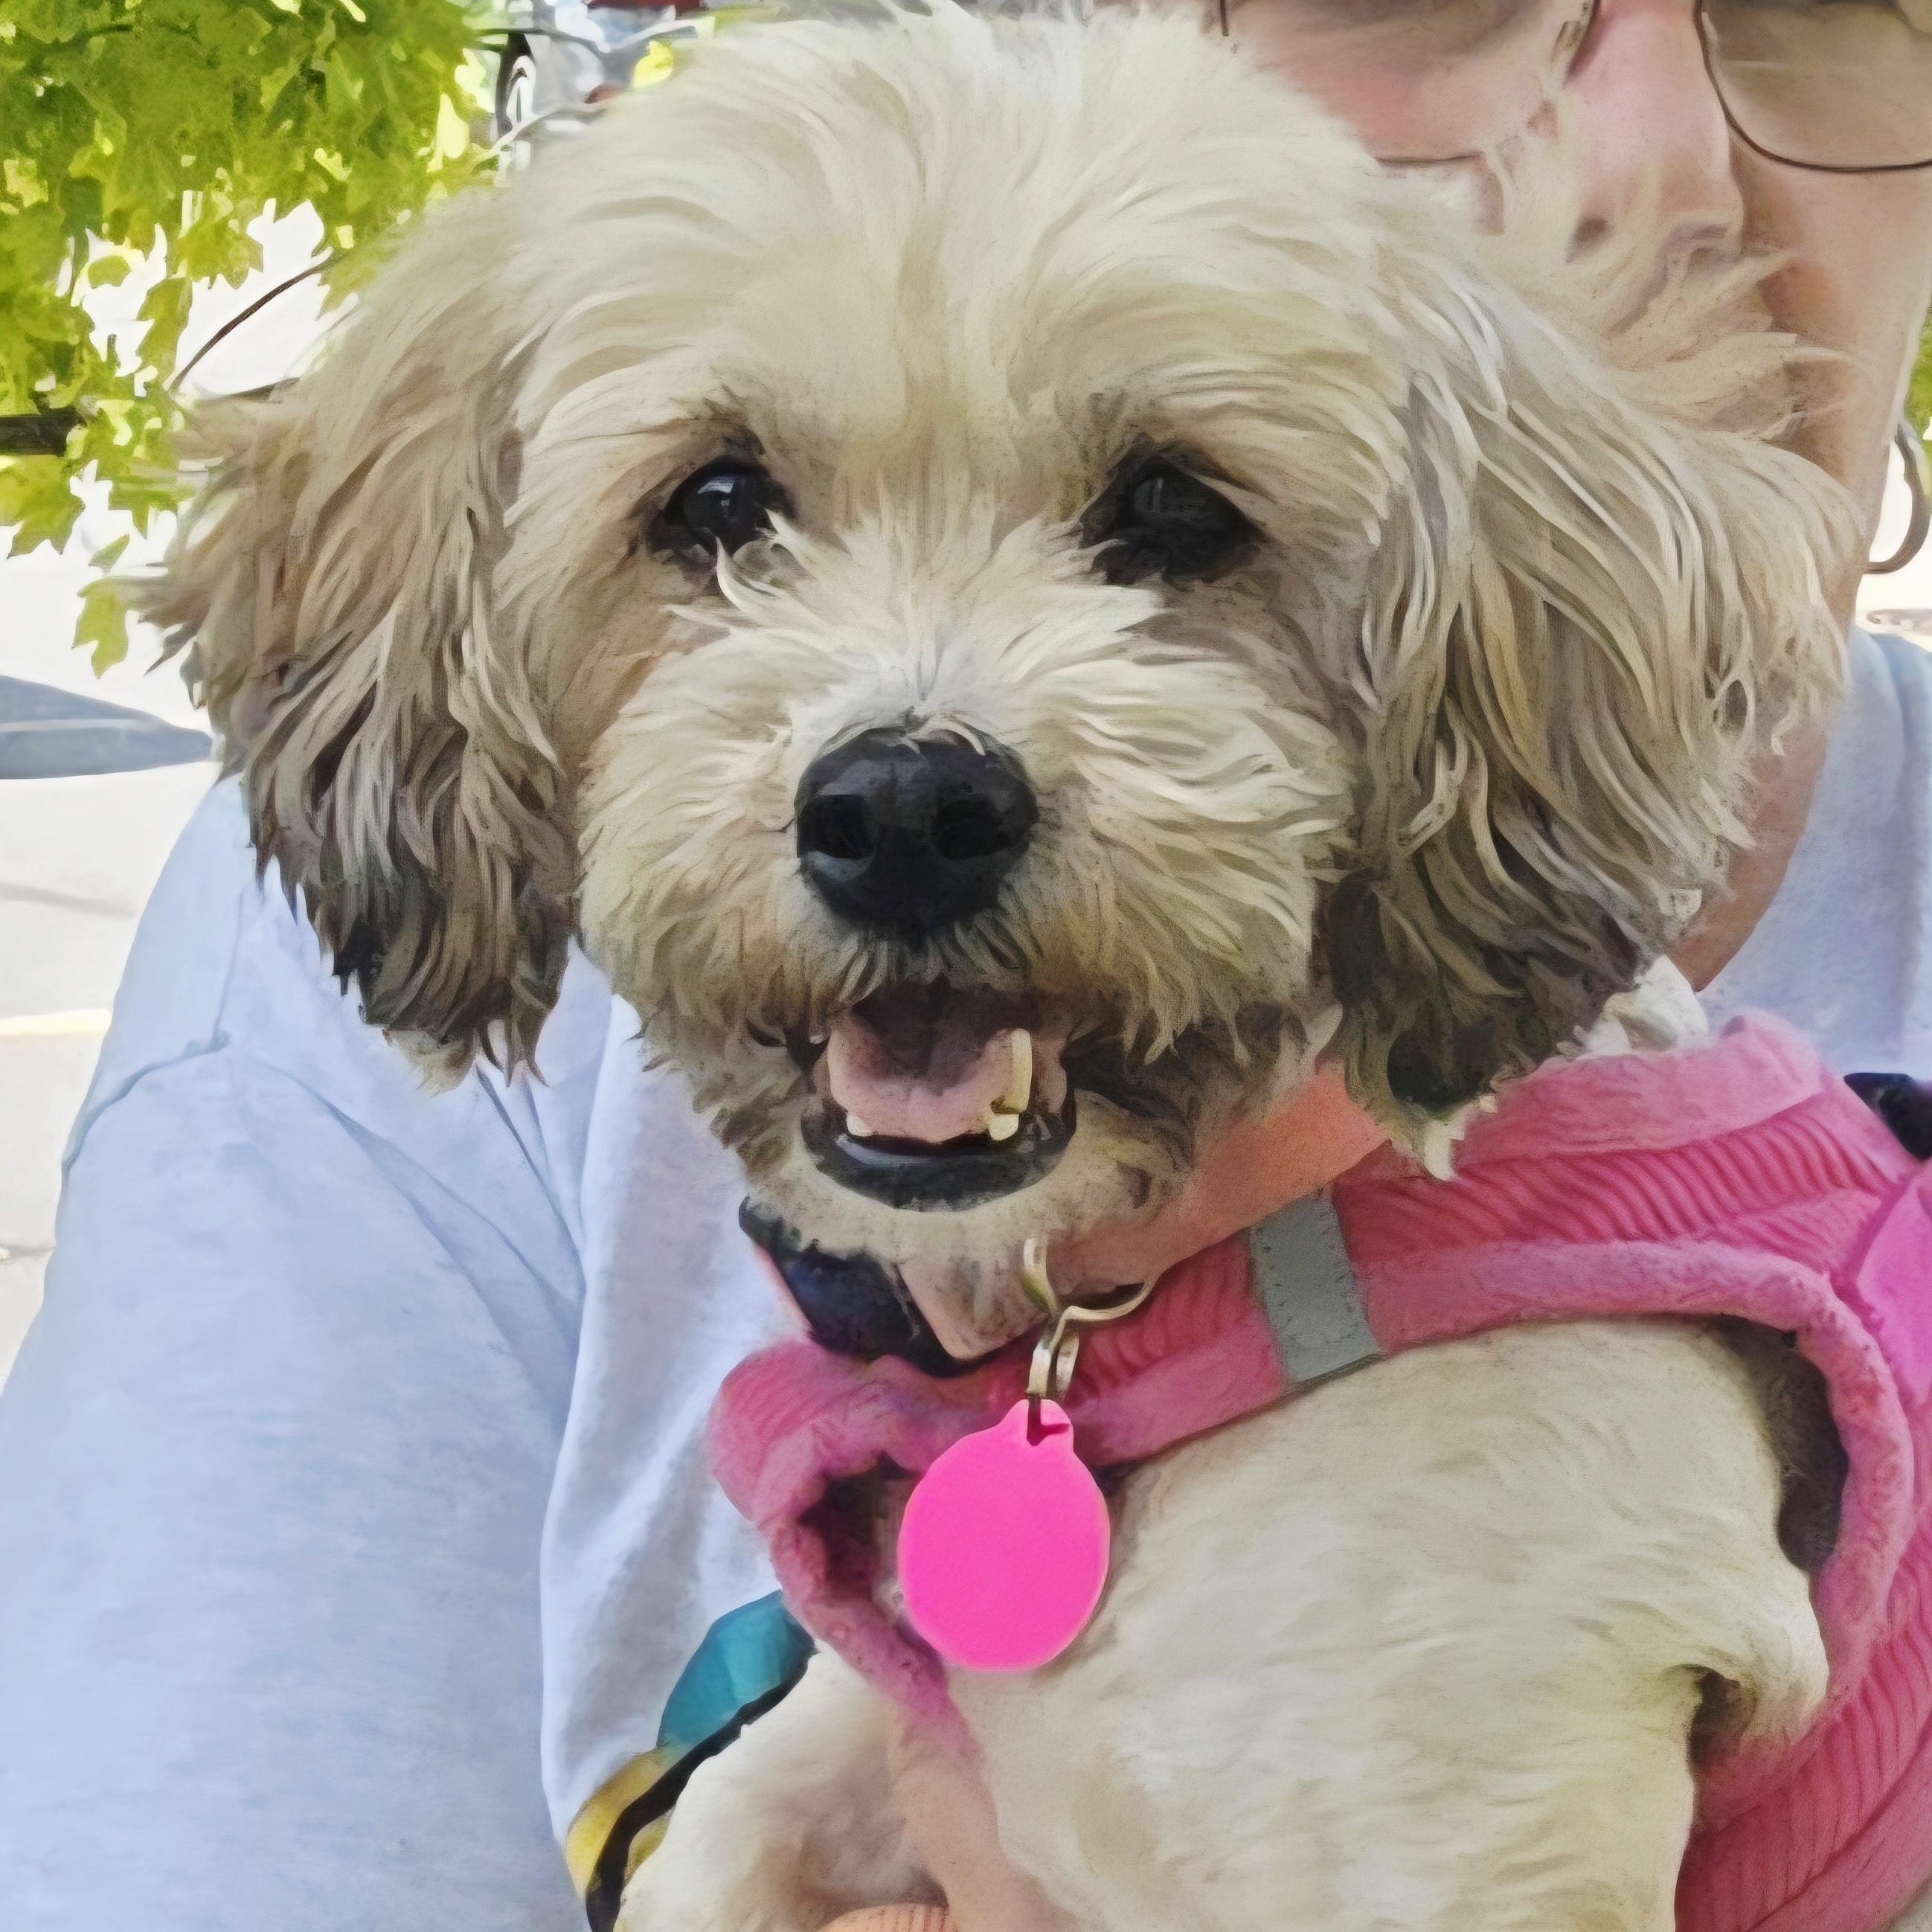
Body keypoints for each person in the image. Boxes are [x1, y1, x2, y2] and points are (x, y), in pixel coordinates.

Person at [2, 2, 1930, 1928]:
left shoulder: (1539, 1384)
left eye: (1165, 526)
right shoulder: (348, 1113)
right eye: (728, 516)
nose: (1658, 167)